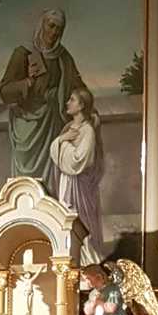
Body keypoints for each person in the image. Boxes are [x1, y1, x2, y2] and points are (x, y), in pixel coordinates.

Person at [0, 9, 85, 193]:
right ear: (42, 25)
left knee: (50, 185)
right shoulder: (23, 53)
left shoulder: (63, 57)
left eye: (59, 29)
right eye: (51, 26)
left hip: (52, 123)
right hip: (27, 124)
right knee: (25, 184)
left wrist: (89, 109)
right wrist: (26, 83)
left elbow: (78, 87)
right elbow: (4, 91)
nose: (54, 32)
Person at [50, 87, 105, 261]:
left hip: (80, 185)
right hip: (67, 181)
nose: (68, 103)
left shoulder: (88, 130)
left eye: (72, 100)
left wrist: (64, 143)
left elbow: (78, 160)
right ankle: (69, 257)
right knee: (66, 219)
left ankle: (86, 261)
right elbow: (56, 153)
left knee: (79, 220)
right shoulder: (68, 127)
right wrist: (62, 139)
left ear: (81, 106)